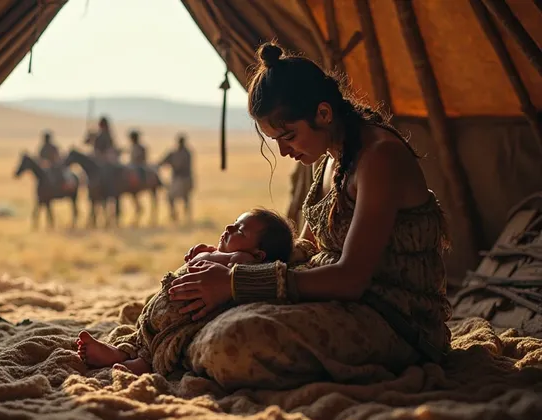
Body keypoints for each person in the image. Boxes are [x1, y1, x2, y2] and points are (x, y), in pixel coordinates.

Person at [162, 42, 452, 390]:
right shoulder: (331, 154)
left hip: (396, 320)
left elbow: (350, 279)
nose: (285, 151)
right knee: (198, 285)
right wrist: (229, 261)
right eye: (276, 141)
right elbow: (309, 249)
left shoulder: (379, 158)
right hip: (342, 301)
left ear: (324, 114)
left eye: (288, 136)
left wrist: (237, 282)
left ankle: (192, 350)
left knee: (232, 341)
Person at [76, 209, 296, 376]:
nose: (228, 228)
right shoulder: (224, 253)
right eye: (234, 223)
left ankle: (140, 365)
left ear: (258, 255)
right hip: (165, 304)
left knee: (163, 344)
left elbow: (233, 271)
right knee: (142, 334)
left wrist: (219, 258)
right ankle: (120, 351)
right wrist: (206, 253)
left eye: (239, 230)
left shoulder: (243, 261)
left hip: (186, 315)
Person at [158, 134, 193, 222]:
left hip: (182, 178)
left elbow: (180, 166)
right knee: (180, 198)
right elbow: (163, 161)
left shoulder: (185, 153)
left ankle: (180, 216)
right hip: (181, 179)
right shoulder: (177, 152)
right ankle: (178, 216)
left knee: (176, 197)